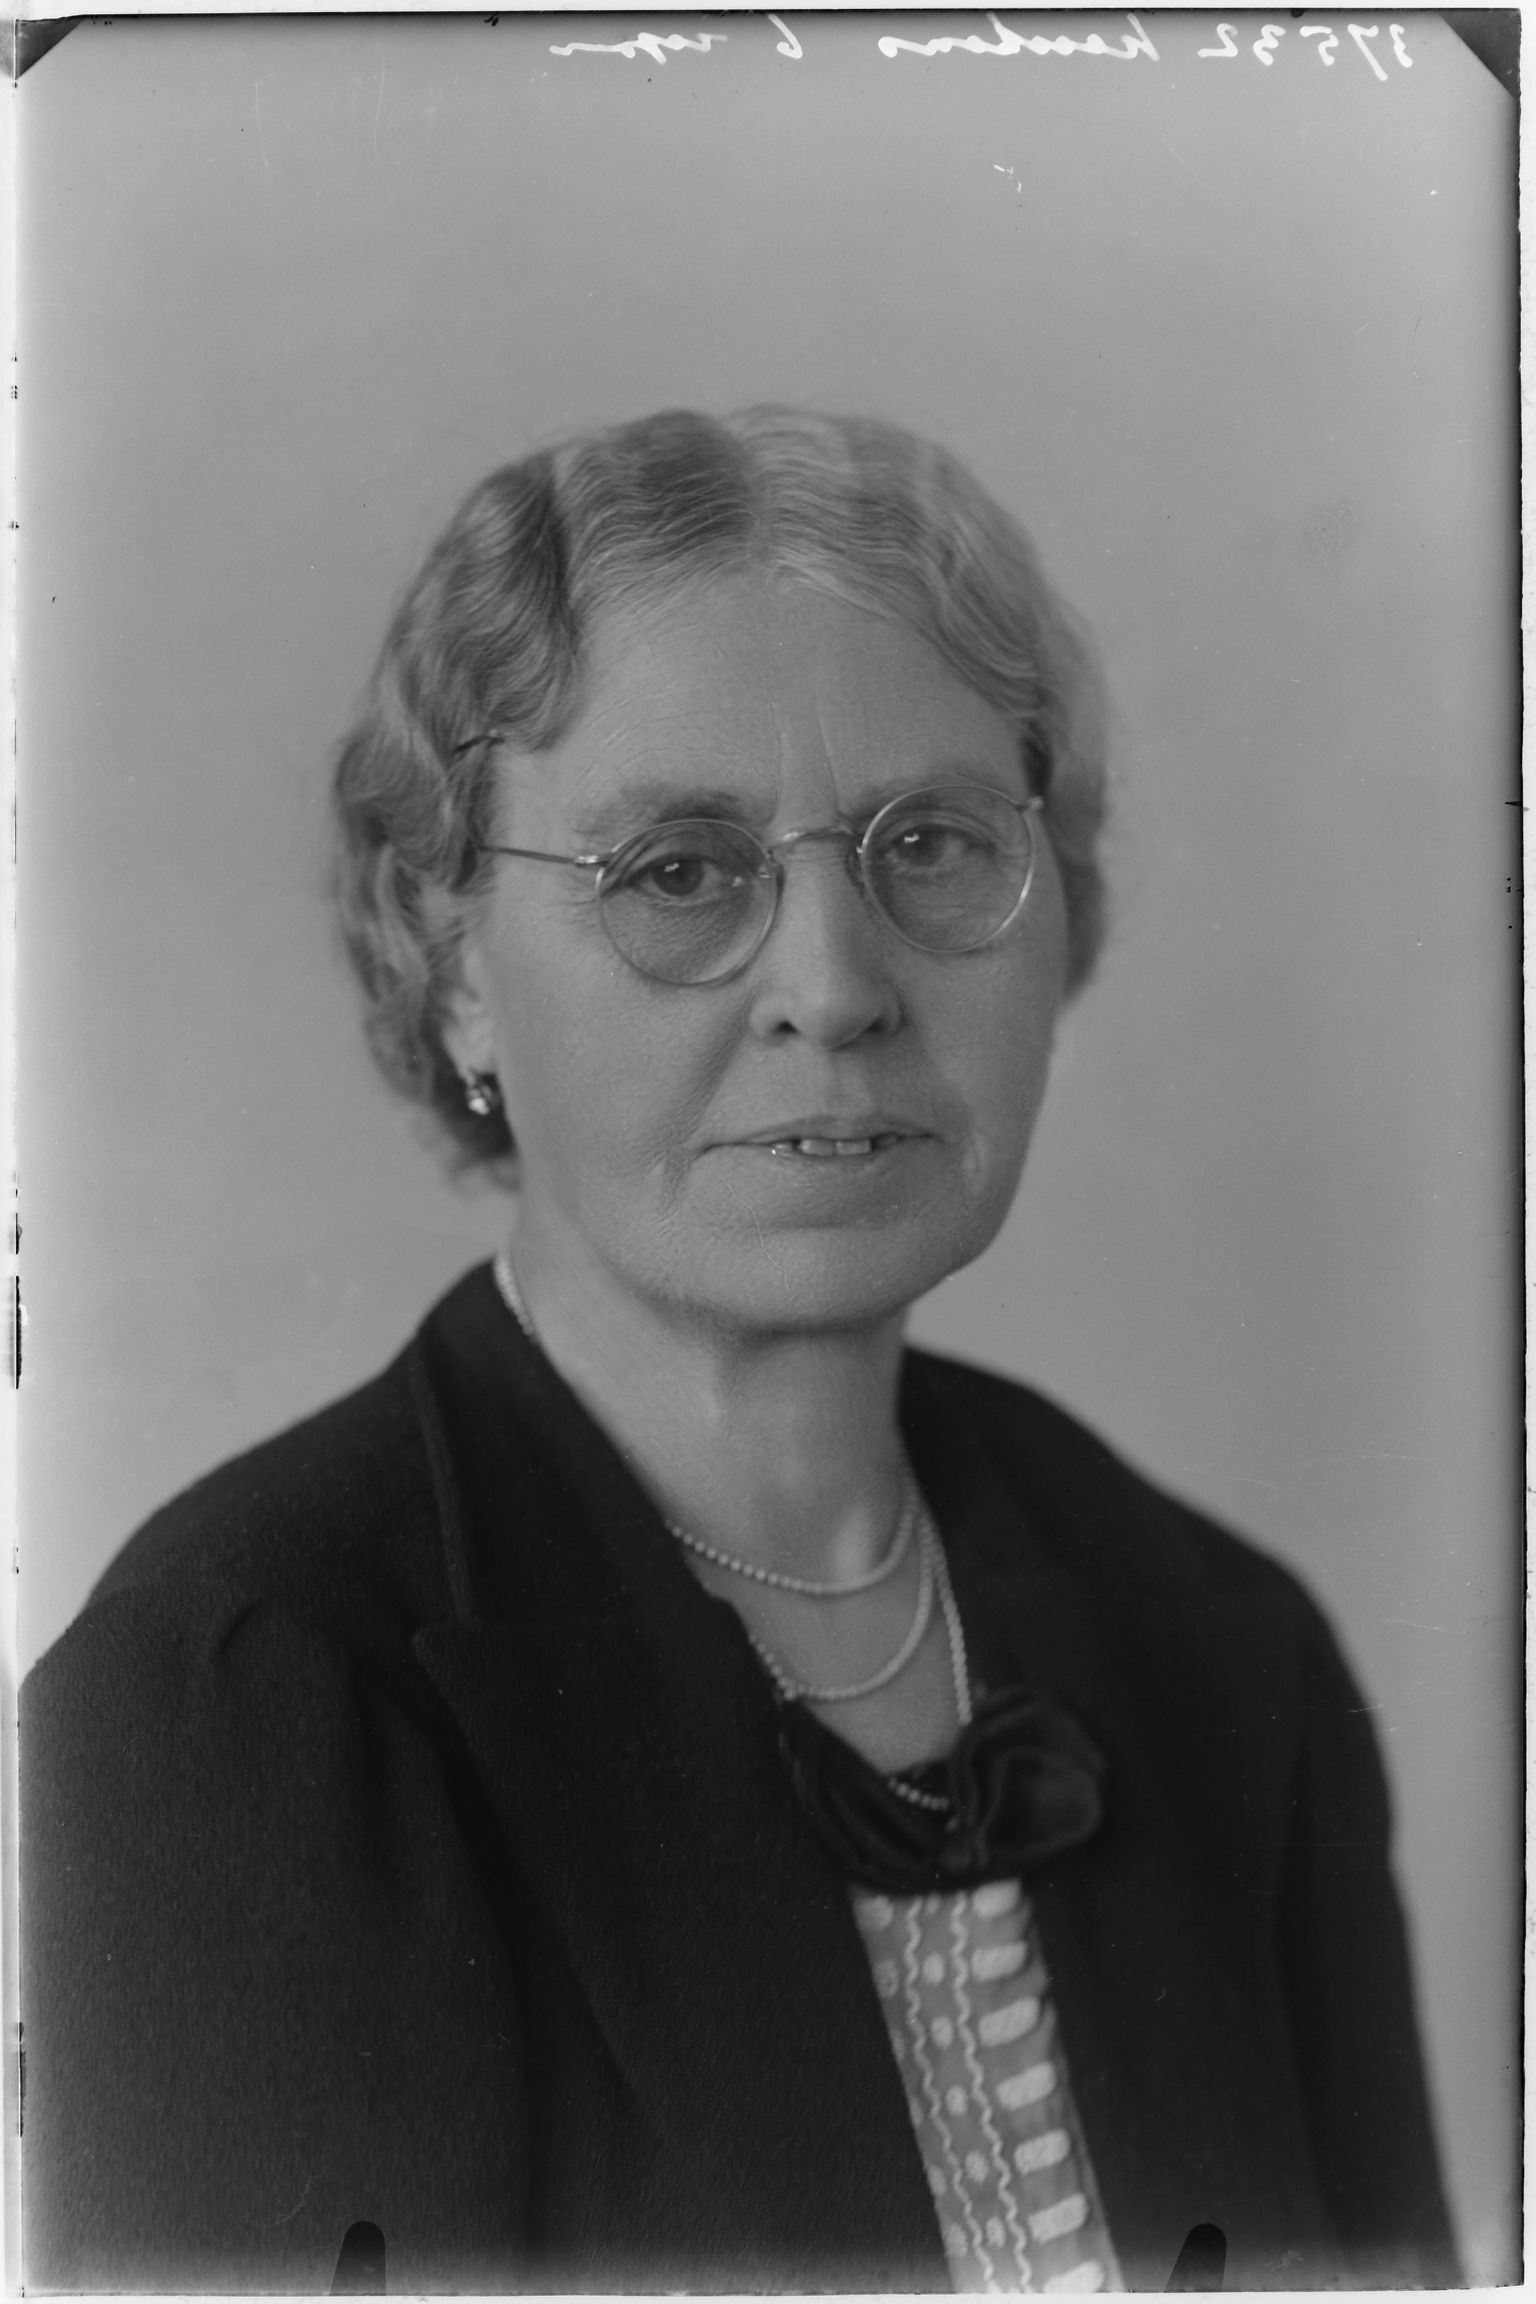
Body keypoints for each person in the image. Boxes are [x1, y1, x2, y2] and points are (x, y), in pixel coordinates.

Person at [21, 407, 1457, 2294]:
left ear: (1063, 913)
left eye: (933, 845)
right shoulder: (238, 1715)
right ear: (451, 964)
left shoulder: (1227, 1647)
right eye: (680, 871)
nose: (839, 989)